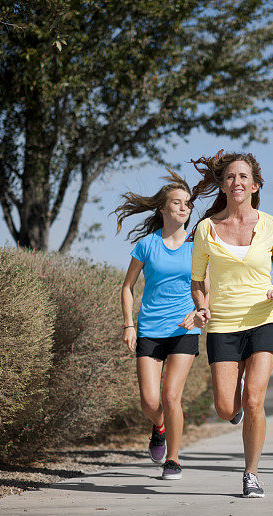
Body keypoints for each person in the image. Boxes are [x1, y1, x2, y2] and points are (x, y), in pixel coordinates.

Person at [188, 150, 273, 498]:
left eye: (243, 177)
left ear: (255, 184)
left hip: (264, 319)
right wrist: (202, 306)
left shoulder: (271, 226)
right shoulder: (206, 229)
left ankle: (251, 473)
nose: (237, 182)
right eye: (230, 177)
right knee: (225, 407)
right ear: (223, 185)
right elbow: (196, 282)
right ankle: (237, 414)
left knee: (254, 400)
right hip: (222, 323)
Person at [116, 172, 201, 481]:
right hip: (150, 328)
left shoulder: (197, 246)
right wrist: (129, 325)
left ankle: (174, 459)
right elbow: (127, 287)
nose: (183, 208)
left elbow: (208, 285)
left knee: (170, 397)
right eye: (176, 203)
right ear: (162, 210)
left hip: (184, 329)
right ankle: (159, 427)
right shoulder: (147, 245)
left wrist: (201, 310)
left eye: (187, 204)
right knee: (150, 402)